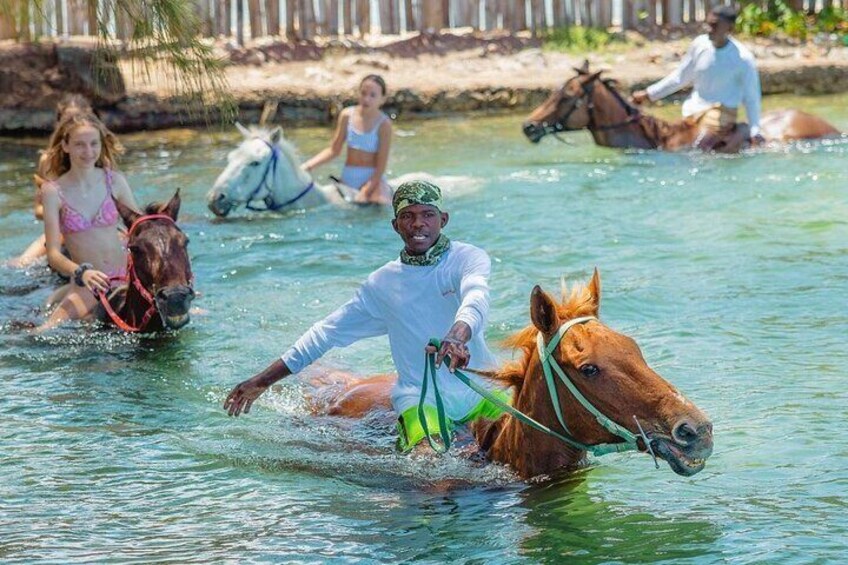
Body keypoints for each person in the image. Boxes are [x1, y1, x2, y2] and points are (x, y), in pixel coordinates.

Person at [224, 180, 509, 452]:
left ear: (443, 219)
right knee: (431, 473)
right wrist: (262, 381)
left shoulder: (467, 258)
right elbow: (325, 333)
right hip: (422, 400)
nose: (418, 223)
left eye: (428, 214)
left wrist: (456, 336)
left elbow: (476, 297)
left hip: (481, 390)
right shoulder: (381, 284)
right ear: (395, 225)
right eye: (407, 216)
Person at [36, 112, 141, 331]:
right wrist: (82, 273)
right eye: (80, 145)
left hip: (127, 279)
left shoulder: (115, 181)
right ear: (65, 146)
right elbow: (54, 254)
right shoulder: (53, 191)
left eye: (94, 144)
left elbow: (140, 229)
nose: (89, 152)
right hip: (87, 286)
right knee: (44, 333)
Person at [631, 6, 765, 152]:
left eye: (714, 25)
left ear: (730, 28)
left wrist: (755, 130)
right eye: (707, 24)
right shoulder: (699, 45)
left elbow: (752, 97)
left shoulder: (743, 59)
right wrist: (649, 94)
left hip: (722, 113)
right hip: (693, 109)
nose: (708, 29)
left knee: (698, 149)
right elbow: (680, 78)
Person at [9, 94, 97, 268]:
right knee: (19, 265)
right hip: (61, 232)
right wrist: (64, 211)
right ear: (59, 124)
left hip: (96, 231)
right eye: (69, 119)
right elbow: (38, 210)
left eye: (80, 118)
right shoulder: (47, 160)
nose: (75, 123)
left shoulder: (97, 159)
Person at [302, 75, 393, 205]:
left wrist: (366, 191)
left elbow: (381, 167)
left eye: (373, 95)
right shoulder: (346, 115)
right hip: (348, 177)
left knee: (377, 207)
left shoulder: (384, 124)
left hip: (373, 180)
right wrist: (307, 167)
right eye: (363, 93)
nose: (366, 98)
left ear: (382, 99)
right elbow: (333, 150)